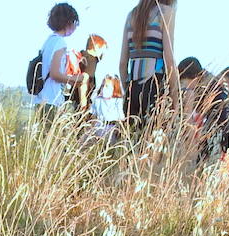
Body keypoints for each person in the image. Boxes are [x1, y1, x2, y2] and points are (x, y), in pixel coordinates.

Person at [120, 0, 179, 131]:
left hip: (132, 88)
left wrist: (128, 90)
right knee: (155, 138)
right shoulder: (166, 12)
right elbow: (169, 60)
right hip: (154, 85)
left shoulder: (131, 15)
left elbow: (123, 63)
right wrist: (175, 100)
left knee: (133, 138)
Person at [37, 4, 85, 119]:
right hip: (52, 100)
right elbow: (55, 74)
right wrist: (75, 79)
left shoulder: (49, 41)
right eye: (75, 23)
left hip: (41, 98)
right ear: (69, 22)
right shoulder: (60, 43)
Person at [74, 34, 108, 112]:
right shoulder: (91, 59)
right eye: (103, 50)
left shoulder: (82, 56)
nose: (103, 54)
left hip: (71, 102)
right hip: (79, 105)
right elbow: (84, 81)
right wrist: (83, 106)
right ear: (96, 47)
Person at [91, 75, 127, 142]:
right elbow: (93, 116)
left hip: (112, 126)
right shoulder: (97, 100)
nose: (104, 88)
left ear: (114, 88)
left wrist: (121, 129)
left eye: (107, 86)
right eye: (102, 86)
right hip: (99, 126)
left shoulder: (117, 100)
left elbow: (121, 116)